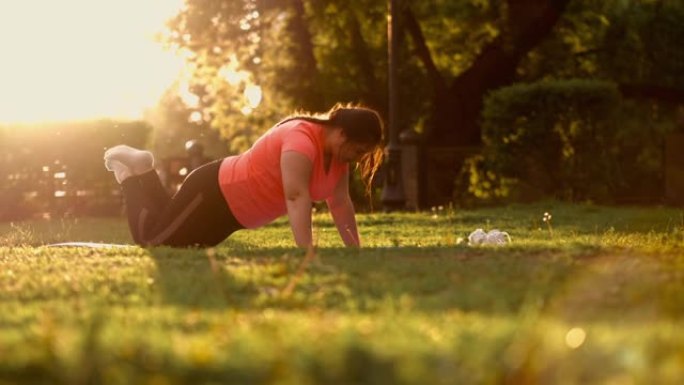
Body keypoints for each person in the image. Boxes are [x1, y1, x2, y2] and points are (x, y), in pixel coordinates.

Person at [103, 103, 384, 248]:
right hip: (214, 193)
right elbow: (296, 196)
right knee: (152, 242)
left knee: (174, 239)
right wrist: (306, 251)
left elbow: (340, 203)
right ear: (343, 134)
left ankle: (144, 170)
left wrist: (354, 251)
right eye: (358, 150)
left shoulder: (337, 158)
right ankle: (132, 174)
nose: (357, 158)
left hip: (231, 217)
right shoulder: (302, 140)